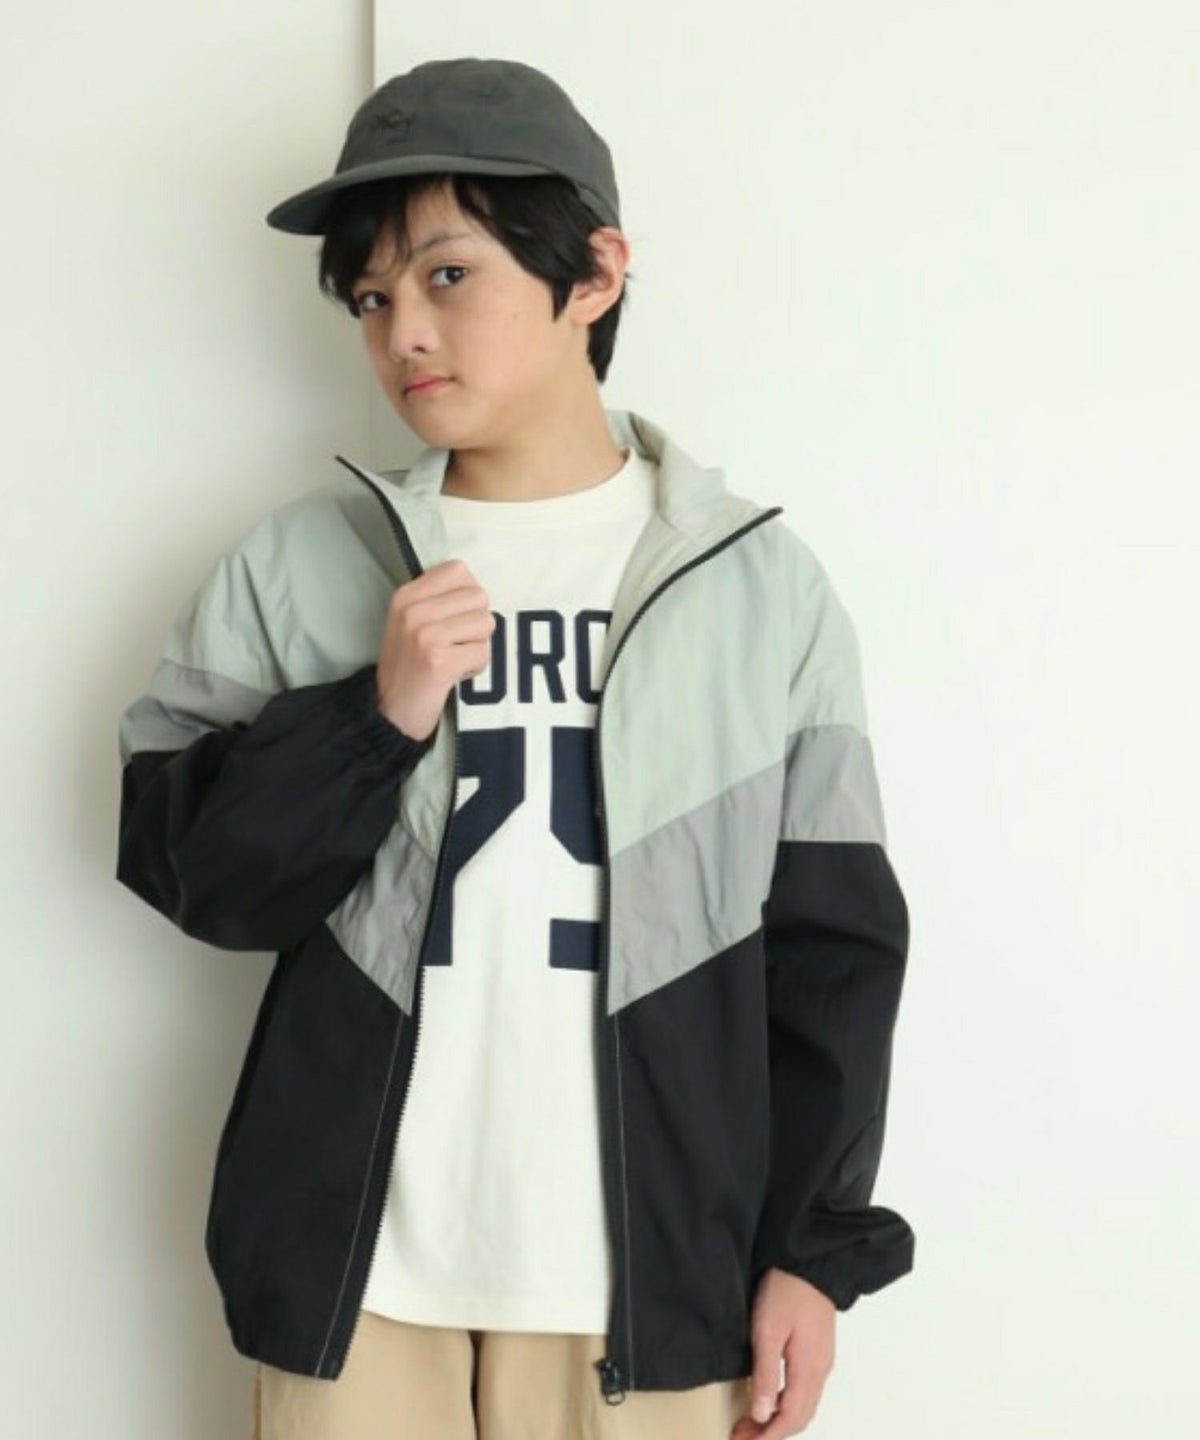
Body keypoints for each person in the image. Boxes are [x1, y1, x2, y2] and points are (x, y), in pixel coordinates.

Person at [114, 56, 915, 1440]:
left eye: (447, 275)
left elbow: (835, 954)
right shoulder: (300, 566)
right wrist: (374, 719)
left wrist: (811, 1251)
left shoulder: (758, 590)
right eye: (372, 297)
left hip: (653, 1283)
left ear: (594, 272)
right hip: (360, 1279)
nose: (403, 334)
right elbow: (199, 879)